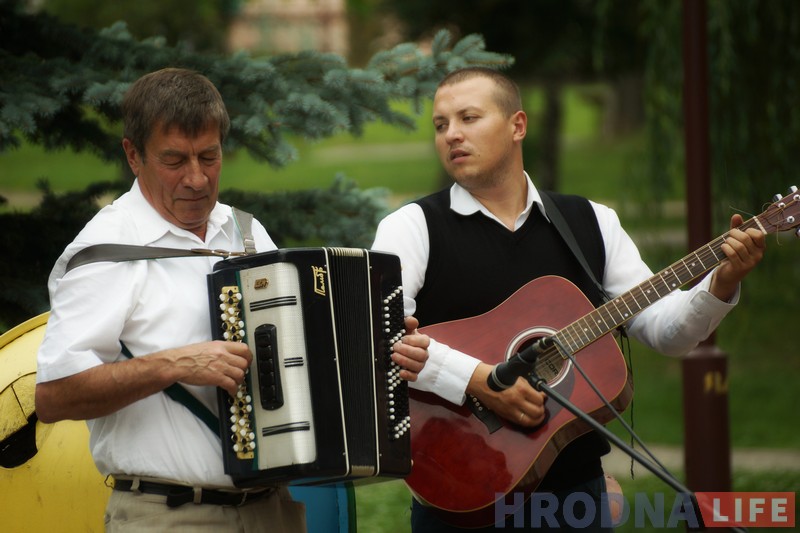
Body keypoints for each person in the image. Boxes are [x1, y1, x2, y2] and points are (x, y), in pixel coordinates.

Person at [35, 67, 430, 533]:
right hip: (171, 515)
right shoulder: (106, 250)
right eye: (175, 160)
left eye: (209, 156)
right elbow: (54, 396)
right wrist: (174, 364)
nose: (197, 179)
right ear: (133, 155)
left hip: (275, 510)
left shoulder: (244, 233)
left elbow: (302, 356)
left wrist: (378, 347)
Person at [371, 67, 765, 532]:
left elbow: (666, 332)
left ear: (517, 125)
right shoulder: (412, 227)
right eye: (441, 125)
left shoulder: (591, 222)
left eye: (468, 118)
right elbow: (382, 335)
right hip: (459, 486)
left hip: (575, 494)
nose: (452, 134)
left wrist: (720, 283)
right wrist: (480, 381)